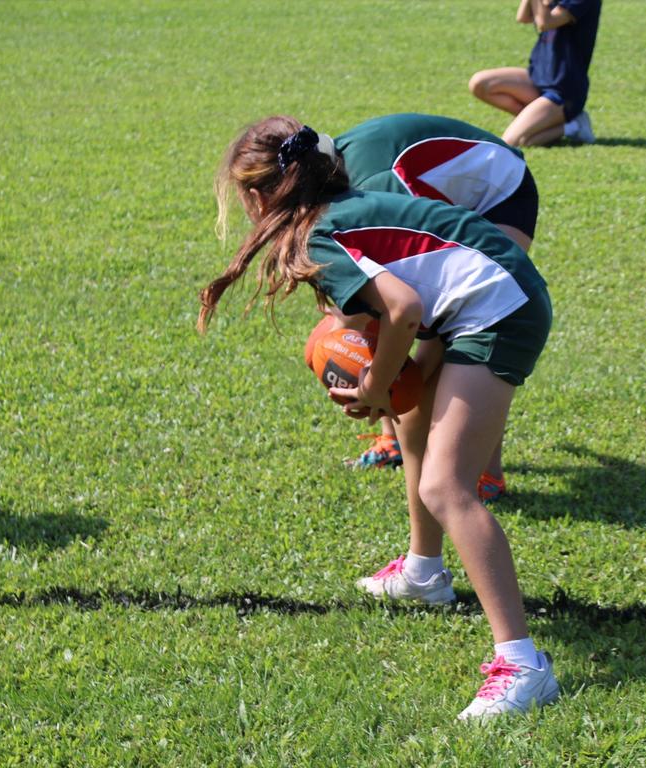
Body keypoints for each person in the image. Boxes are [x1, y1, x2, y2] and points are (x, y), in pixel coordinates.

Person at [199, 117, 558, 720]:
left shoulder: (318, 235)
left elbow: (404, 307)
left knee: (447, 486)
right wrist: (388, 381)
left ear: (259, 196)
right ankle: (424, 573)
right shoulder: (341, 206)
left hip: (498, 310)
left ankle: (522, 665)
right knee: (415, 425)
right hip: (490, 293)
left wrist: (374, 380)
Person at [318, 113, 541, 503]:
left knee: (467, 332)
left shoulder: (377, 191)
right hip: (443, 199)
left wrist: (400, 384)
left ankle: (486, 470)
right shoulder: (325, 178)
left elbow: (420, 310)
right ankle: (394, 443)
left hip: (501, 194)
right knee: (363, 312)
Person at [469, 0, 603, 147]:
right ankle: (540, 123)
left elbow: (544, 22)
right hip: (538, 77)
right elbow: (523, 17)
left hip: (563, 90)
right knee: (480, 83)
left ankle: (573, 126)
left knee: (512, 142)